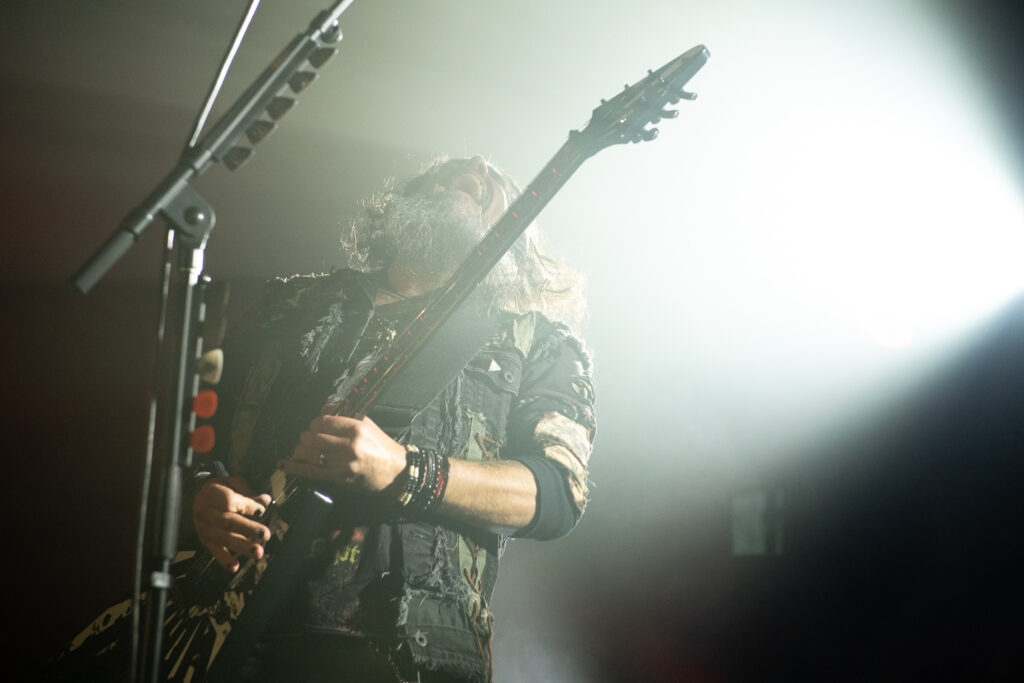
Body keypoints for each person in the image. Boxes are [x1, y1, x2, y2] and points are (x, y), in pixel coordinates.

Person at [190, 156, 596, 682]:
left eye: (492, 184)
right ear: (402, 202)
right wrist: (202, 493)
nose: (473, 167)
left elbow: (558, 494)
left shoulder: (537, 342)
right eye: (445, 174)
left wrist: (407, 469)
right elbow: (193, 431)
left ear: (515, 235)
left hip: (404, 647)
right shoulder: (289, 304)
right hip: (226, 623)